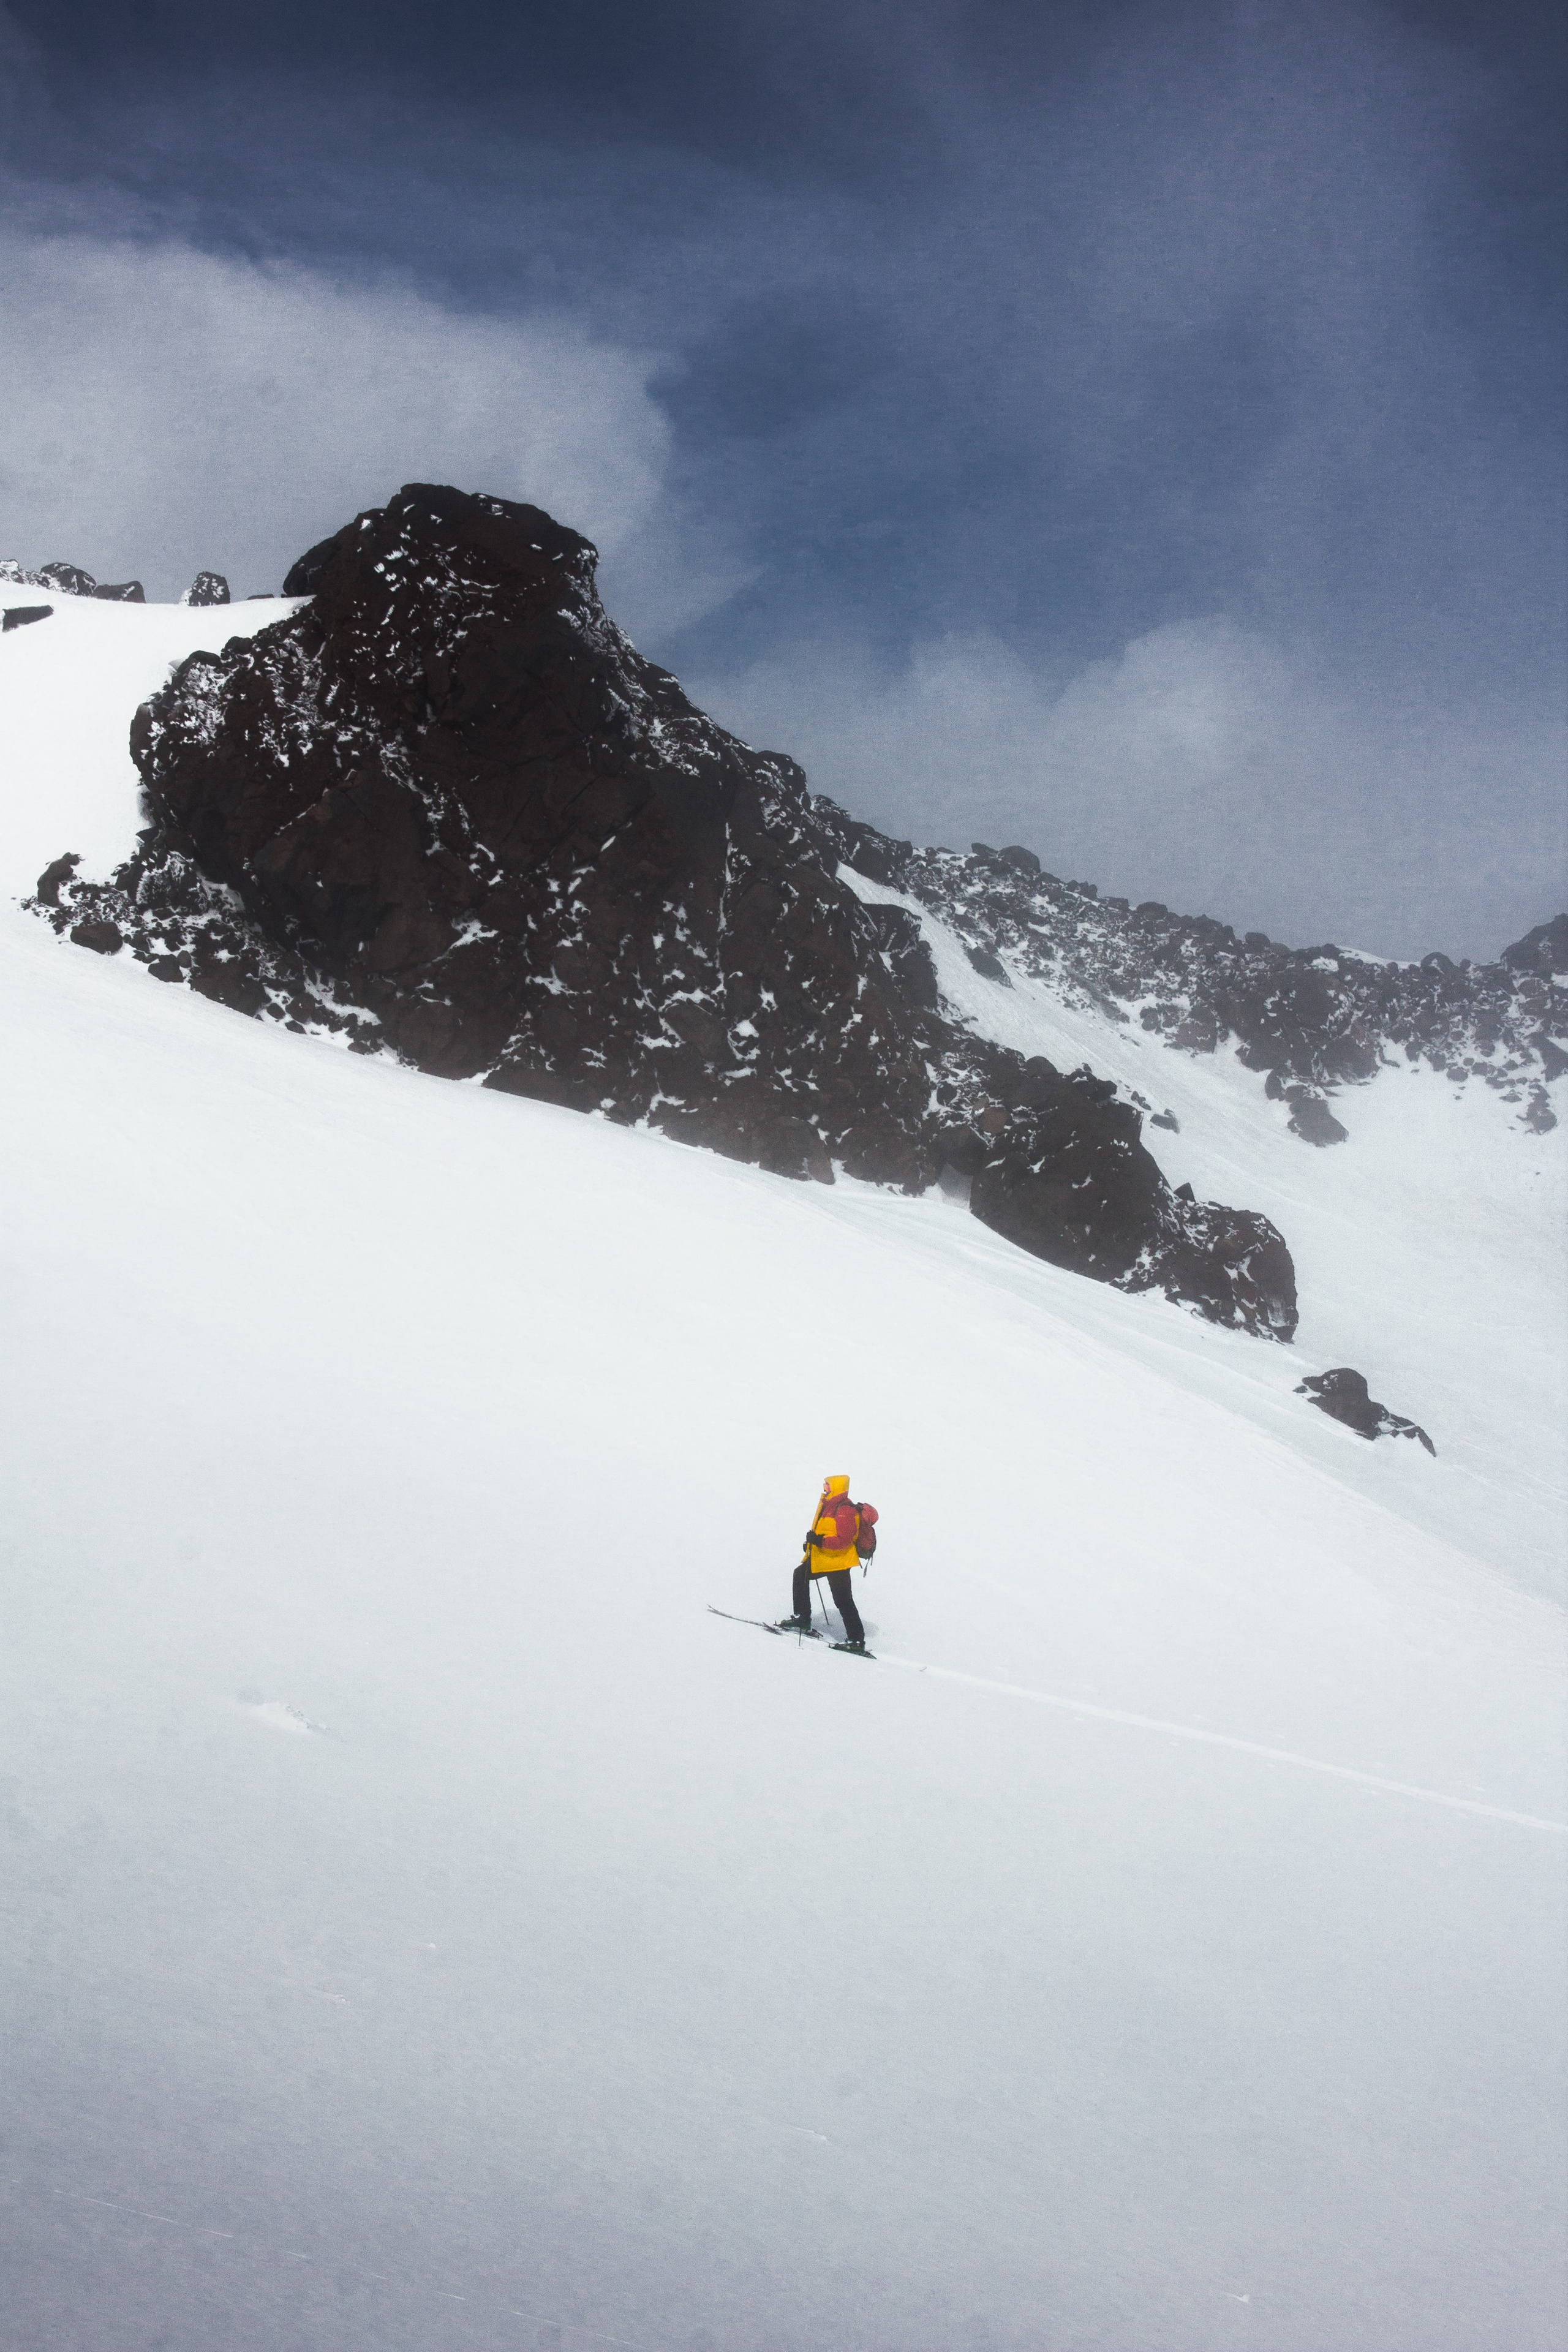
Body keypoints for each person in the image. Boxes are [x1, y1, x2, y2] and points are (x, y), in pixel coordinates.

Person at [780, 1475, 867, 1649]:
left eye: (827, 1485)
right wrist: (812, 1544)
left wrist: (819, 1542)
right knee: (800, 1575)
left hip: (839, 1562)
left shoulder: (844, 1510)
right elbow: (825, 1531)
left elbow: (844, 1541)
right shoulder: (829, 1505)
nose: (824, 1487)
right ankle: (802, 1618)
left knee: (843, 1600)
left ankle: (856, 1640)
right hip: (826, 1558)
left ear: (837, 1488)